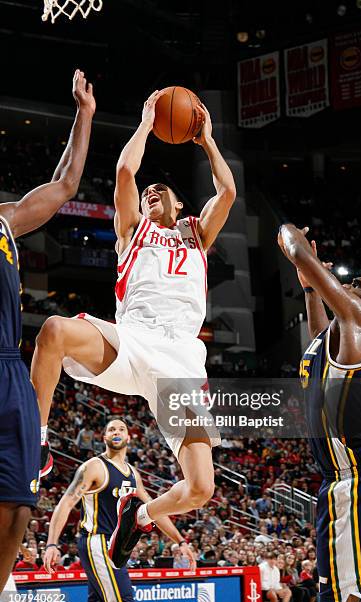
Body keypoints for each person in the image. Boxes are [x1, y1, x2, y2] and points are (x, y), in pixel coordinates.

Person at [31, 89, 236, 565]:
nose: (150, 191)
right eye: (148, 193)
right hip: (133, 340)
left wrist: (206, 141)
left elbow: (227, 191)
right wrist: (146, 123)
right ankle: (37, 441)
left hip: (182, 358)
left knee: (201, 488)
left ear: (182, 206)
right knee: (54, 332)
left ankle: (139, 518)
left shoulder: (197, 236)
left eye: (160, 190)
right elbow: (126, 171)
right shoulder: (132, 230)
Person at [0, 69, 95, 594]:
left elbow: (65, 185)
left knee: (18, 506)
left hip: (11, 370)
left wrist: (83, 113)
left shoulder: (6, 220)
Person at [278, 225, 361, 602]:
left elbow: (292, 241)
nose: (349, 286)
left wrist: (304, 254)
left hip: (357, 478)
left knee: (338, 601)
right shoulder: (342, 334)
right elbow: (319, 333)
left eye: (360, 286)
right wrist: (311, 288)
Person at [43, 419, 196, 602]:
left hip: (116, 546)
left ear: (128, 437)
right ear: (105, 437)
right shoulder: (93, 467)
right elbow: (66, 503)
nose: (116, 432)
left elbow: (154, 510)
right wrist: (51, 544)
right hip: (97, 542)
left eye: (121, 429)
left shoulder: (133, 474)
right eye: (112, 429)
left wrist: (181, 541)